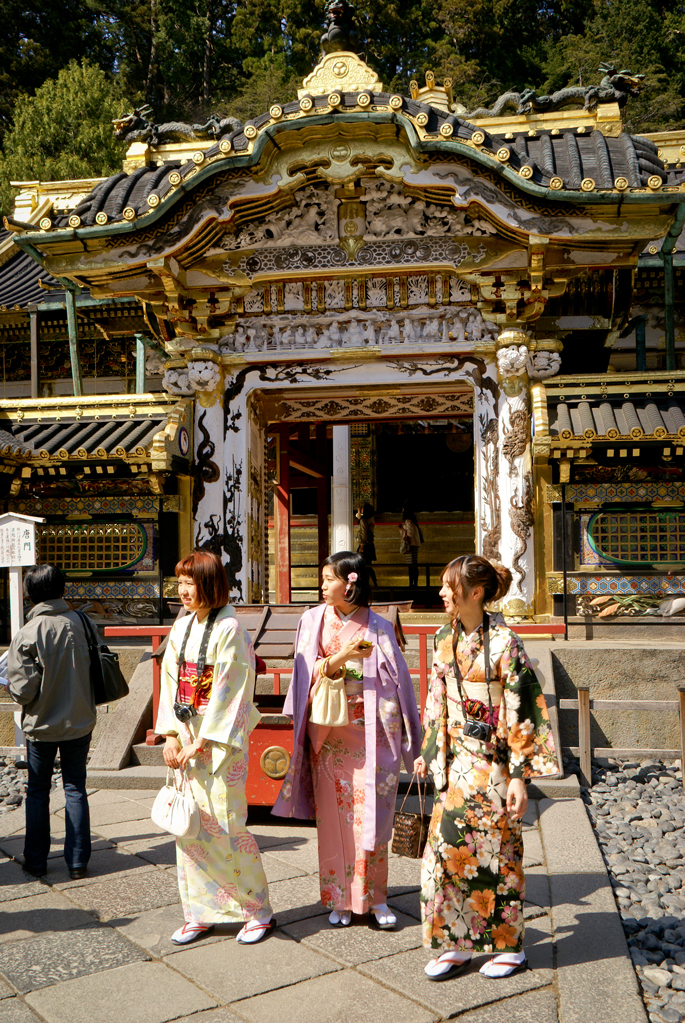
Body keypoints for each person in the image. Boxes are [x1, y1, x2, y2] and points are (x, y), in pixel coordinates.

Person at [414, 556, 557, 981]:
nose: (442, 593)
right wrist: (429, 749)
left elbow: (521, 707)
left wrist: (518, 776)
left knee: (498, 853)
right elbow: (436, 701)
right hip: (456, 762)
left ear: (475, 593)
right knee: (444, 855)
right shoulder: (443, 638)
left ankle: (508, 945)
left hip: (492, 762)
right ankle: (455, 942)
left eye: (448, 586)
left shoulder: (506, 643)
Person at [273, 551, 422, 929]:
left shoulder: (378, 626)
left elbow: (399, 682)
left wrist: (407, 733)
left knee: (373, 816)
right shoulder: (311, 620)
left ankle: (376, 898)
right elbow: (305, 672)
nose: (322, 585)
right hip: (330, 732)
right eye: (322, 578)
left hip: (373, 734)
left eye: (328, 579)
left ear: (350, 582)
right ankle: (338, 898)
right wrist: (342, 657)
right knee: (335, 821)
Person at [156, 550, 274, 945]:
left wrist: (203, 740)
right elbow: (171, 681)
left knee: (226, 825)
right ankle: (200, 911)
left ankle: (256, 910)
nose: (184, 591)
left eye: (191, 583)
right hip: (186, 734)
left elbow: (232, 690)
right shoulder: (182, 626)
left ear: (211, 585)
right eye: (181, 583)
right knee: (188, 827)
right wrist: (172, 735)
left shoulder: (230, 630)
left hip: (219, 744)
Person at [7, 564, 95, 880]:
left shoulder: (28, 633)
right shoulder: (83, 623)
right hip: (80, 720)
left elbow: (22, 691)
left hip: (41, 725)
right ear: (62, 590)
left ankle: (36, 861)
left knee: (37, 791)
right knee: (75, 788)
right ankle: (77, 862)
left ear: (31, 596)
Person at [398, 505, 423, 588]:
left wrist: (401, 530)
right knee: (413, 565)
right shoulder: (411, 521)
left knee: (411, 566)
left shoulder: (408, 521)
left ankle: (412, 584)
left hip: (411, 545)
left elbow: (410, 533)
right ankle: (414, 583)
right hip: (413, 544)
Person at [356, 503, 378, 587]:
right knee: (368, 565)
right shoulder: (371, 519)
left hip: (364, 545)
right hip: (370, 545)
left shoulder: (363, 520)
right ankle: (374, 583)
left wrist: (362, 545)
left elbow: (363, 533)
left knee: (363, 565)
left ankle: (366, 583)